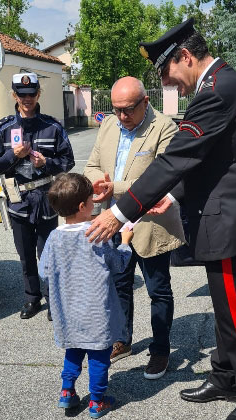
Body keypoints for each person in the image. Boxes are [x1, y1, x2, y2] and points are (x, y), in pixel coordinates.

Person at [86, 19, 236, 420]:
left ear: (185, 57)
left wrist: (120, 212)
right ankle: (225, 377)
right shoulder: (222, 84)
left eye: (169, 73)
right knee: (225, 308)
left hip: (230, 223)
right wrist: (171, 197)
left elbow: (175, 159)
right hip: (226, 216)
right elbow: (208, 159)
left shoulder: (217, 91)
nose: (173, 85)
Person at [83, 76, 184, 379]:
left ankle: (161, 350)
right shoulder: (109, 125)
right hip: (113, 222)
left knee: (158, 290)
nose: (122, 117)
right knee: (118, 285)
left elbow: (161, 178)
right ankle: (122, 340)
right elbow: (91, 164)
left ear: (145, 102)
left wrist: (114, 187)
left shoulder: (165, 127)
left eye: (128, 109)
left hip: (151, 224)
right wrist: (96, 182)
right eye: (116, 110)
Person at [39, 173, 133, 419]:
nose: (94, 203)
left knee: (73, 352)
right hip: (95, 312)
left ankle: (67, 393)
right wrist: (124, 242)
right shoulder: (97, 235)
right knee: (99, 357)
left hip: (68, 311)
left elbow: (44, 271)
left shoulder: (54, 237)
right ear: (83, 206)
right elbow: (118, 264)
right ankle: (96, 401)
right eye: (92, 200)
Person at [0, 73, 74, 320]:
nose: (27, 99)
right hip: (18, 201)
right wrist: (14, 156)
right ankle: (32, 299)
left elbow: (68, 161)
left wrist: (47, 162)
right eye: (21, 94)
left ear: (38, 94)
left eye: (31, 94)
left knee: (47, 255)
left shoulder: (52, 126)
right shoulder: (4, 128)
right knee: (26, 256)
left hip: (46, 200)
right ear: (14, 95)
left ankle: (53, 300)